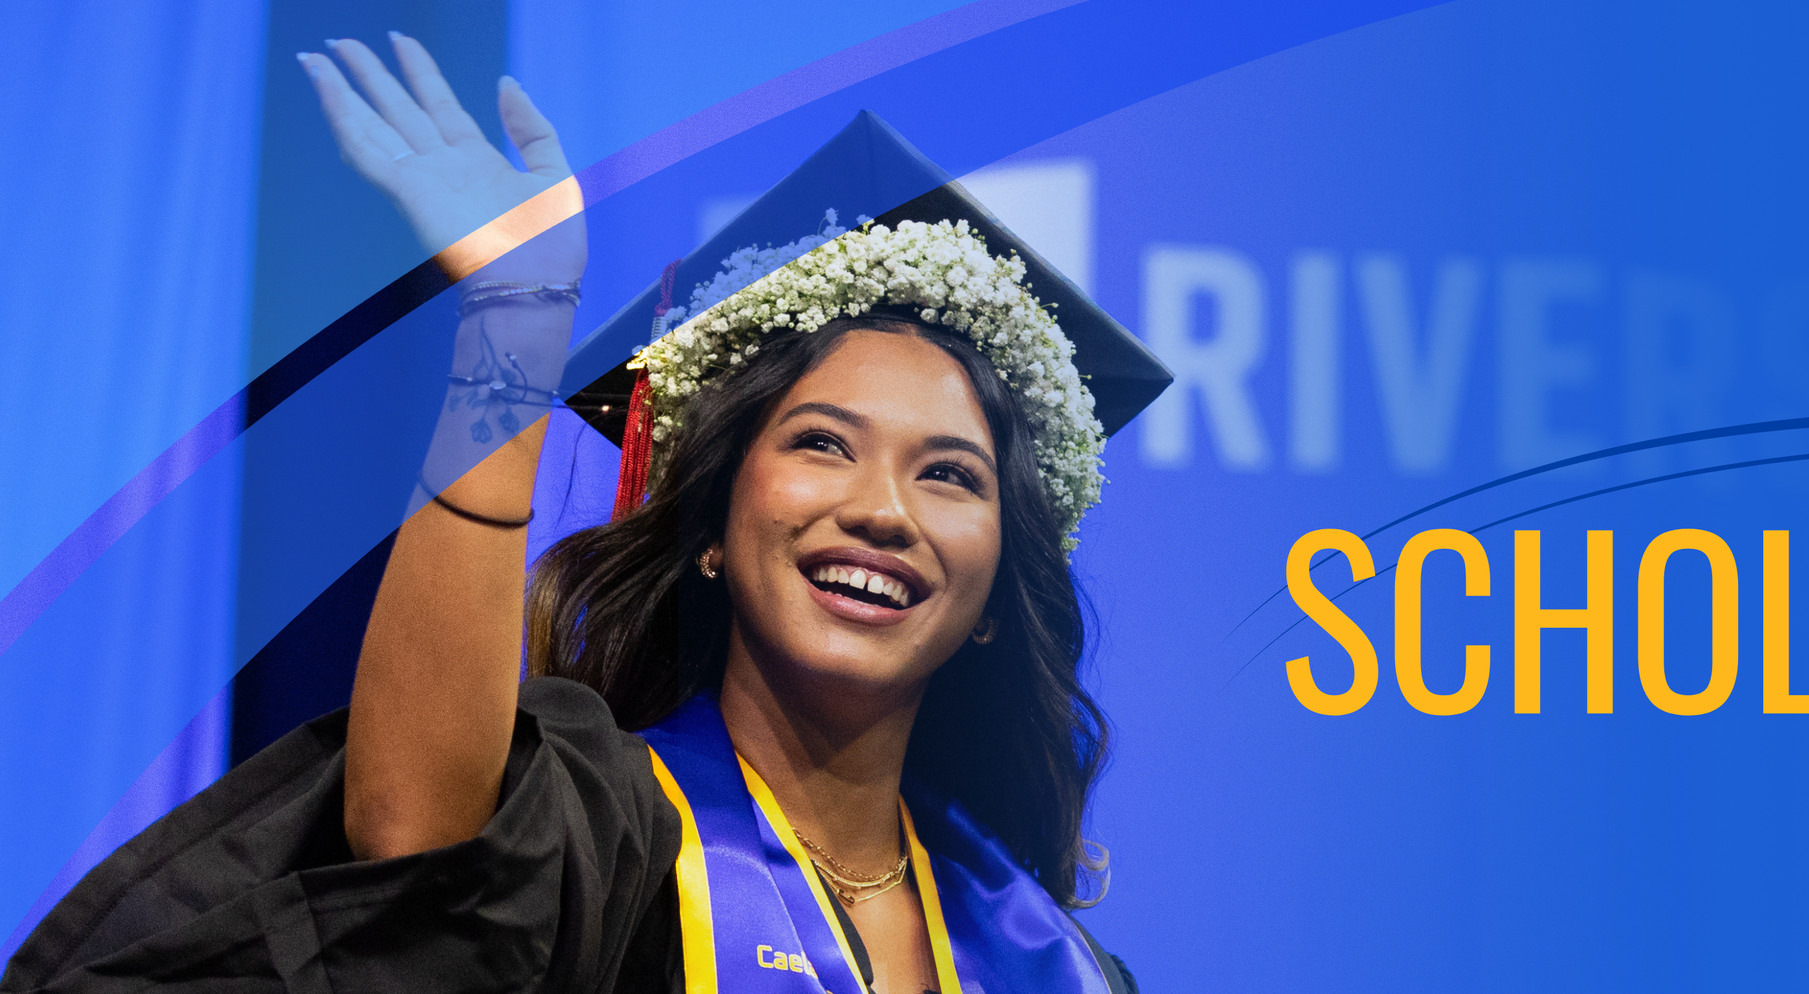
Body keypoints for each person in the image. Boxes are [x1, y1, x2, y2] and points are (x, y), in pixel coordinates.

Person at [3, 32, 1161, 994]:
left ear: (998, 602)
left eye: (948, 475)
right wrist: (512, 324)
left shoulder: (1052, 957)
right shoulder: (593, 833)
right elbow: (416, 836)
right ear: (709, 530)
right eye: (820, 444)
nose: (880, 510)